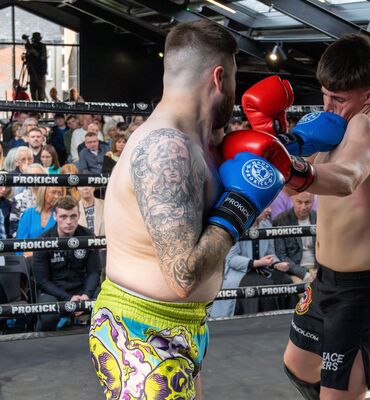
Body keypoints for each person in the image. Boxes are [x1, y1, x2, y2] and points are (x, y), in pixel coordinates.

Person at [89, 20, 290, 400]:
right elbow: (183, 275)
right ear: (219, 78)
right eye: (234, 77)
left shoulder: (205, 140)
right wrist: (240, 204)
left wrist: (284, 141)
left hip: (185, 326)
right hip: (142, 333)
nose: (236, 89)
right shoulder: (167, 148)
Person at [280, 34, 370, 400]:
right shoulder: (334, 125)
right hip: (326, 279)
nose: (328, 105)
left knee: (338, 393)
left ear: (369, 97)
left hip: (362, 290)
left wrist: (291, 163)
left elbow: (346, 179)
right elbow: (290, 189)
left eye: (339, 99)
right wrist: (281, 147)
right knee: (297, 363)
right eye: (325, 94)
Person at [211, 206, 293, 318]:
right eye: (266, 206)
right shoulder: (235, 227)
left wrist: (277, 264)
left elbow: (270, 253)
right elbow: (231, 259)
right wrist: (257, 263)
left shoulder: (266, 225)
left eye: (270, 206)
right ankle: (266, 324)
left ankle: (287, 322)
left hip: (262, 269)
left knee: (285, 280)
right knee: (265, 286)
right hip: (239, 272)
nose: (269, 210)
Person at [33, 196, 101, 331]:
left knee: (106, 304)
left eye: (73, 216)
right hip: (54, 292)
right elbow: (42, 281)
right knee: (48, 316)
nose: (68, 222)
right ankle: (44, 347)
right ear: (55, 216)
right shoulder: (43, 240)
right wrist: (68, 298)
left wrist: (86, 295)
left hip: (82, 290)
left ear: (79, 216)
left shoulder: (88, 236)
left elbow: (94, 272)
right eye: (63, 217)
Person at [273, 192, 317, 284]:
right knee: (306, 291)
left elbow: (325, 248)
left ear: (313, 201)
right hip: (294, 270)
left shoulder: (318, 218)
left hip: (317, 268)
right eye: (299, 202)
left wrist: (318, 270)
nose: (303, 207)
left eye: (307, 202)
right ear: (292, 200)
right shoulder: (281, 221)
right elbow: (281, 255)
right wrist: (304, 273)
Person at [23, 32, 47, 101]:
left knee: (40, 93)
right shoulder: (32, 47)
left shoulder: (42, 46)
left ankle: (41, 110)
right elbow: (28, 58)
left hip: (40, 73)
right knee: (33, 92)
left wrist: (31, 49)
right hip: (33, 72)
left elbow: (40, 56)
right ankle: (35, 110)